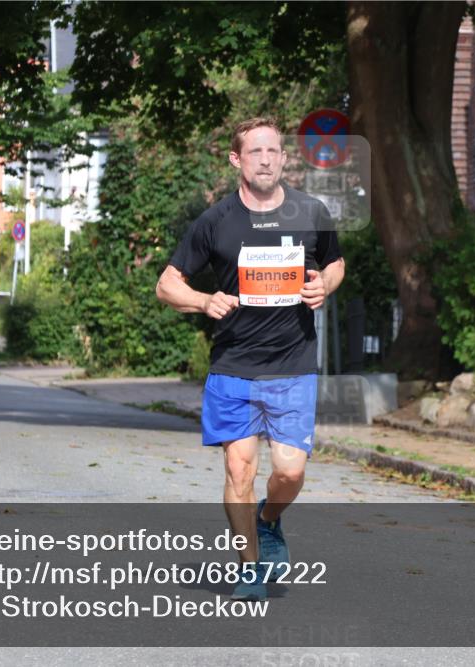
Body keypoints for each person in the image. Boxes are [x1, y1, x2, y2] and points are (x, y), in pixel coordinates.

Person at [156, 117, 346, 601]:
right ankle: (249, 569)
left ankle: (267, 520)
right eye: (255, 151)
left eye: (273, 151)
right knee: (239, 470)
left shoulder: (311, 211)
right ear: (236, 160)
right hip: (234, 365)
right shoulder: (215, 222)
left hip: (292, 363)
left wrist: (323, 284)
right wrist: (203, 301)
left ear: (284, 158)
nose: (265, 158)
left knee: (290, 471)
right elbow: (167, 283)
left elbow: (335, 261)